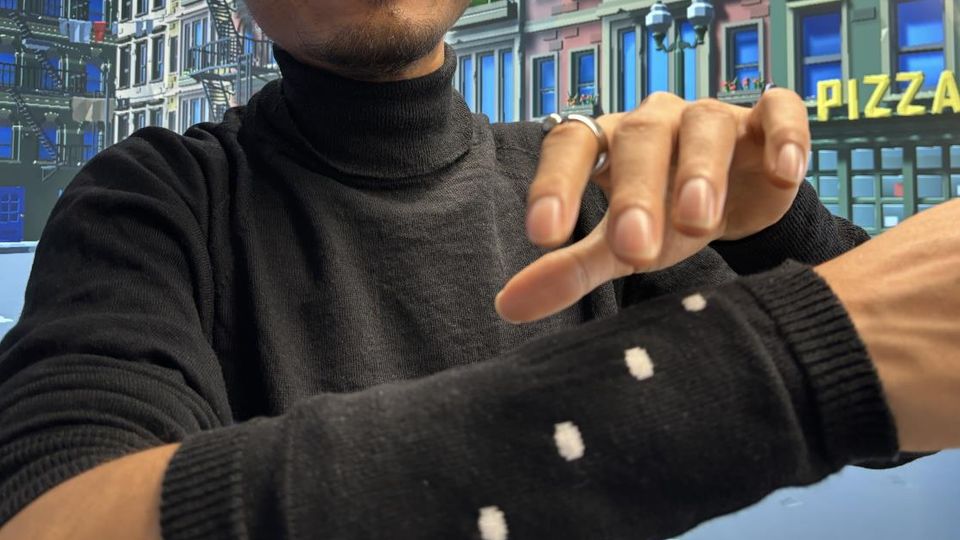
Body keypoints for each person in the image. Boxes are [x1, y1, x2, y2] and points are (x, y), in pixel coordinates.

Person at [0, 1, 957, 539]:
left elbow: (911, 414)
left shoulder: (587, 190)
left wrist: (783, 230)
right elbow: (56, 513)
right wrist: (792, 365)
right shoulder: (154, 203)